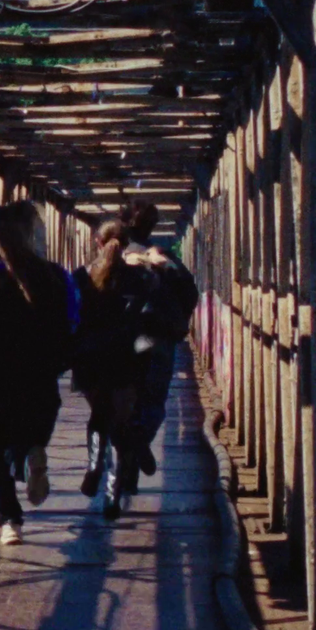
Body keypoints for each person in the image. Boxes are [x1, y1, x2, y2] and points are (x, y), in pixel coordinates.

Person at [0, 200, 76, 545]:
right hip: (41, 380)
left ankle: (10, 520)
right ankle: (32, 451)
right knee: (23, 437)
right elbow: (71, 320)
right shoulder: (52, 275)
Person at [71, 220, 153, 519]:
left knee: (99, 415)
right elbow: (149, 321)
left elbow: (72, 318)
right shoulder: (140, 278)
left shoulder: (81, 276)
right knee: (119, 426)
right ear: (127, 243)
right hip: (125, 359)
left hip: (90, 359)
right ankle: (112, 497)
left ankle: (93, 466)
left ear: (97, 242)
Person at [121, 201, 199, 477]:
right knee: (153, 399)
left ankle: (118, 454)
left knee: (115, 402)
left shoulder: (110, 257)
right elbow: (190, 292)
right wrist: (179, 322)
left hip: (118, 341)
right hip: (156, 338)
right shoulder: (163, 257)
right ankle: (140, 439)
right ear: (152, 226)